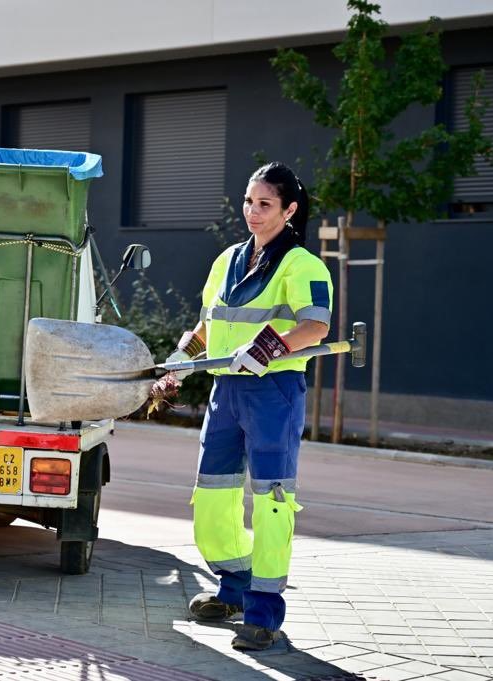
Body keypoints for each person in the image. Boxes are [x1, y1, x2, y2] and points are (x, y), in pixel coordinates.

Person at [165, 162, 333, 651]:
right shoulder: (226, 261)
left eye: (265, 204)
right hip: (224, 392)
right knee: (213, 502)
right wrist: (181, 358)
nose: (253, 213)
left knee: (272, 503)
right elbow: (206, 327)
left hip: (272, 393)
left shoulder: (304, 265)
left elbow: (316, 326)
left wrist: (268, 348)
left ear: (290, 210)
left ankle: (264, 612)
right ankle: (233, 587)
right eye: (248, 202)